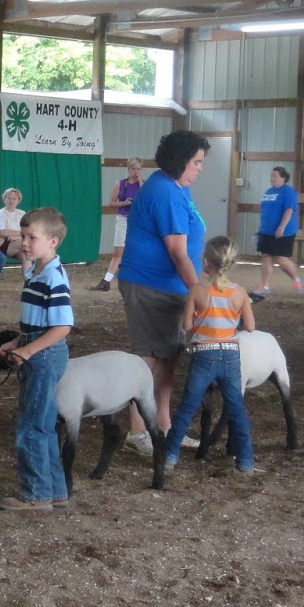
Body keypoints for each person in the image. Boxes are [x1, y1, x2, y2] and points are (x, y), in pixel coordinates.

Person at [116, 130, 210, 457]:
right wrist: (198, 291)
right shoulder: (165, 193)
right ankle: (138, 432)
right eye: (196, 162)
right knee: (149, 359)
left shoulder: (177, 188)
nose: (200, 168)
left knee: (168, 356)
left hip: (167, 288)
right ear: (181, 161)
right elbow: (177, 251)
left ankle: (165, 426)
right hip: (150, 286)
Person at [0, 207, 74, 511]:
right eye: (23, 236)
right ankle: (55, 490)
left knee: (30, 424)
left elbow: (63, 326)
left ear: (53, 241)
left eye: (32, 237)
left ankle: (36, 494)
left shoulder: (54, 278)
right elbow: (36, 322)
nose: (25, 242)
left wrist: (28, 350)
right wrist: (17, 341)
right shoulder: (37, 273)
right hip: (37, 349)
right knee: (43, 423)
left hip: (43, 355)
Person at [162, 237, 257, 475]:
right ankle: (246, 461)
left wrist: (199, 318)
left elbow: (186, 326)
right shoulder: (240, 293)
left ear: (206, 262)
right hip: (231, 355)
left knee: (187, 407)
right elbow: (251, 327)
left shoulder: (198, 291)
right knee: (236, 407)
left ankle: (170, 456)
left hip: (204, 355)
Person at [94, 158, 143, 291]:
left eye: (138, 169)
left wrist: (140, 180)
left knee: (137, 251)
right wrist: (124, 203)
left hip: (137, 221)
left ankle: (137, 281)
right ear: (128, 169)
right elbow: (111, 203)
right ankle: (106, 281)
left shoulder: (142, 185)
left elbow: (147, 199)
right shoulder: (121, 184)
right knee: (118, 252)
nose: (136, 171)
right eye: (133, 169)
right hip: (123, 218)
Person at [254, 165, 302, 300]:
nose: (272, 178)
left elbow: (289, 210)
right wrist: (261, 228)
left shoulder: (288, 192)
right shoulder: (268, 192)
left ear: (283, 178)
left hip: (284, 232)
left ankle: (296, 279)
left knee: (281, 260)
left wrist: (281, 227)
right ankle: (264, 286)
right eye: (271, 175)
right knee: (266, 256)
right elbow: (265, 211)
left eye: (275, 176)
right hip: (266, 231)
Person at [0, 187, 26, 261]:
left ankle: (33, 272)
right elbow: (2, 232)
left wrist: (17, 237)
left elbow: (28, 231)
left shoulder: (22, 214)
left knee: (26, 257)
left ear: (18, 201)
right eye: (9, 198)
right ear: (4, 199)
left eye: (14, 199)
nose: (11, 201)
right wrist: (21, 234)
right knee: (28, 243)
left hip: (18, 242)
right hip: (4, 245)